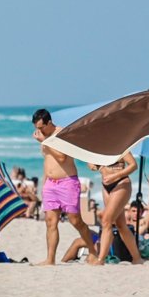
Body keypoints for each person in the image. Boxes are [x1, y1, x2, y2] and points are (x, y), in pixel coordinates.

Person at [34, 109, 98, 265]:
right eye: (37, 128)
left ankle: (93, 251)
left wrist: (45, 142)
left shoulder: (61, 134)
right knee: (50, 221)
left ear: (49, 123)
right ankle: (50, 259)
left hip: (67, 182)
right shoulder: (45, 138)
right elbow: (47, 161)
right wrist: (43, 185)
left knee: (75, 221)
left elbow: (62, 158)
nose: (39, 131)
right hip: (50, 184)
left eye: (42, 127)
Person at [88, 152, 143, 265]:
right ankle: (137, 259)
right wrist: (93, 164)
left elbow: (133, 165)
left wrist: (114, 176)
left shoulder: (121, 147)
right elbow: (92, 167)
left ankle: (101, 259)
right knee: (121, 225)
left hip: (121, 183)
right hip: (106, 186)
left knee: (106, 220)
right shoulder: (97, 148)